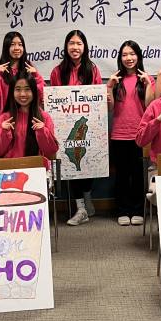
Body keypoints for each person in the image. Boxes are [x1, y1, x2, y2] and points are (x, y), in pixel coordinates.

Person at [49, 30, 103, 226]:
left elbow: (96, 97)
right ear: (66, 46)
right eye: (71, 43)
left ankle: (86, 201)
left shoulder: (92, 69)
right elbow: (54, 101)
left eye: (79, 43)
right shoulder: (57, 71)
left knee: (88, 163)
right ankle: (81, 208)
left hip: (87, 125)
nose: (75, 47)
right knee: (71, 163)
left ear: (84, 46)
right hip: (66, 128)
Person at [106, 40, 154, 226]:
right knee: (122, 175)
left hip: (140, 135)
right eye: (125, 55)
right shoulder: (116, 80)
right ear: (120, 58)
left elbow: (150, 106)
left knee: (138, 174)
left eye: (132, 54)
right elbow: (109, 108)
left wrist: (149, 84)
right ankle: (122, 210)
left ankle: (137, 209)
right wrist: (109, 87)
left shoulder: (146, 79)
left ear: (138, 56)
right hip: (119, 135)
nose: (129, 58)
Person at [0, 73, 59, 167]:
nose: (22, 94)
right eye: (18, 89)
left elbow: (51, 151)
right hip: (11, 171)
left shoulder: (44, 117)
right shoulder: (5, 118)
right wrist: (3, 132)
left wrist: (43, 132)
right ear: (12, 92)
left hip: (37, 170)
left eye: (27, 89)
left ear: (34, 92)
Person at [0, 31, 43, 117]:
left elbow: (42, 98)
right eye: (12, 44)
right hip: (5, 122)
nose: (17, 48)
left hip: (28, 121)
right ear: (6, 47)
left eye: (20, 44)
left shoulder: (30, 69)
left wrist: (37, 77)